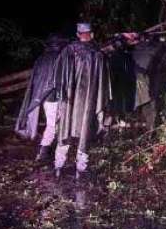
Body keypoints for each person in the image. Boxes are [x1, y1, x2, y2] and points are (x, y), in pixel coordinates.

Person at [53, 21, 110, 180]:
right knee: (84, 132)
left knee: (66, 128)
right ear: (91, 34)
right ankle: (80, 170)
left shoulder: (68, 51)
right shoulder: (98, 54)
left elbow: (58, 76)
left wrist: (62, 94)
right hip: (88, 102)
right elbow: (103, 85)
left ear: (78, 35)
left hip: (69, 100)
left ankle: (58, 166)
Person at [15, 33, 69, 161]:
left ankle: (46, 151)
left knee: (53, 124)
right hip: (54, 97)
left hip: (44, 97)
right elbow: (59, 81)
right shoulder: (59, 58)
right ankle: (43, 152)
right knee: (52, 125)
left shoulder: (41, 58)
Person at [131, 34, 166, 132]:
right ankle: (150, 130)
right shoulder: (153, 51)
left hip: (140, 84)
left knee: (145, 107)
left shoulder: (135, 50)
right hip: (148, 83)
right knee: (150, 107)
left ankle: (145, 130)